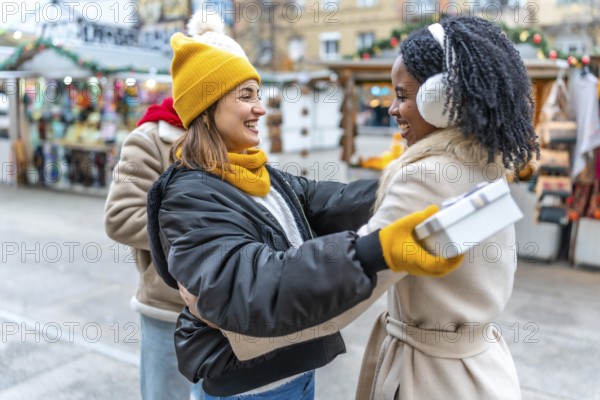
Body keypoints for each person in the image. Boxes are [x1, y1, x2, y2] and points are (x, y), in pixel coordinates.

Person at [207, 16, 537, 399]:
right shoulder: (482, 164)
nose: (393, 108)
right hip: (480, 369)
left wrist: (233, 323)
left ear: (442, 100)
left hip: (430, 380)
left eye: (402, 94)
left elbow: (351, 285)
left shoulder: (428, 176)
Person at [146, 31, 463, 399]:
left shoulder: (262, 175)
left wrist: (428, 177)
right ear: (208, 105)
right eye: (245, 95)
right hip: (248, 389)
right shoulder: (189, 195)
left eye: (258, 95)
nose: (260, 108)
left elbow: (337, 201)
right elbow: (250, 285)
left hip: (294, 372)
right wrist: (370, 251)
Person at [103, 10, 246, 400]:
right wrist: (208, 238)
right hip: (169, 310)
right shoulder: (150, 138)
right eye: (234, 88)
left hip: (229, 310)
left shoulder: (240, 141)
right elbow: (121, 218)